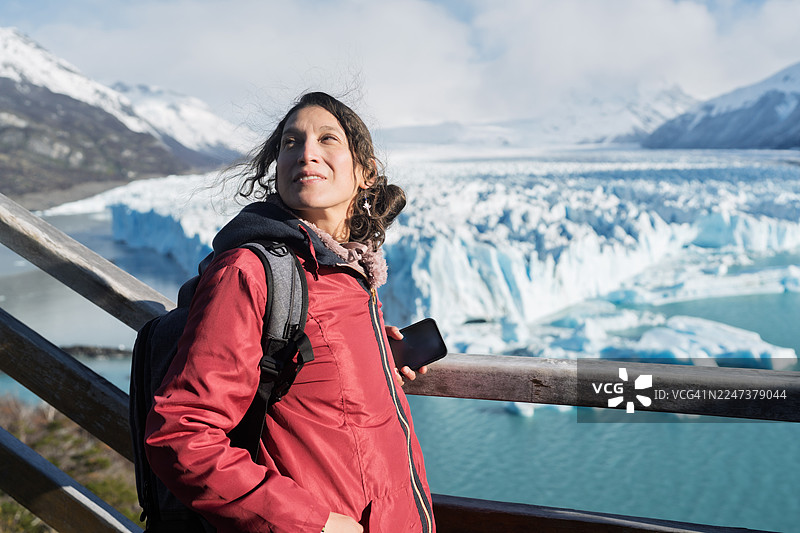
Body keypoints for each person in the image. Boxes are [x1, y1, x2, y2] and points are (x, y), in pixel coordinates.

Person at [144, 92, 436, 533]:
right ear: (276, 168)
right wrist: (312, 524)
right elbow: (182, 435)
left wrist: (370, 366)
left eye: (326, 139)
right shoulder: (250, 272)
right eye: (290, 143)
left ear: (365, 173)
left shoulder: (348, 274)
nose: (306, 153)